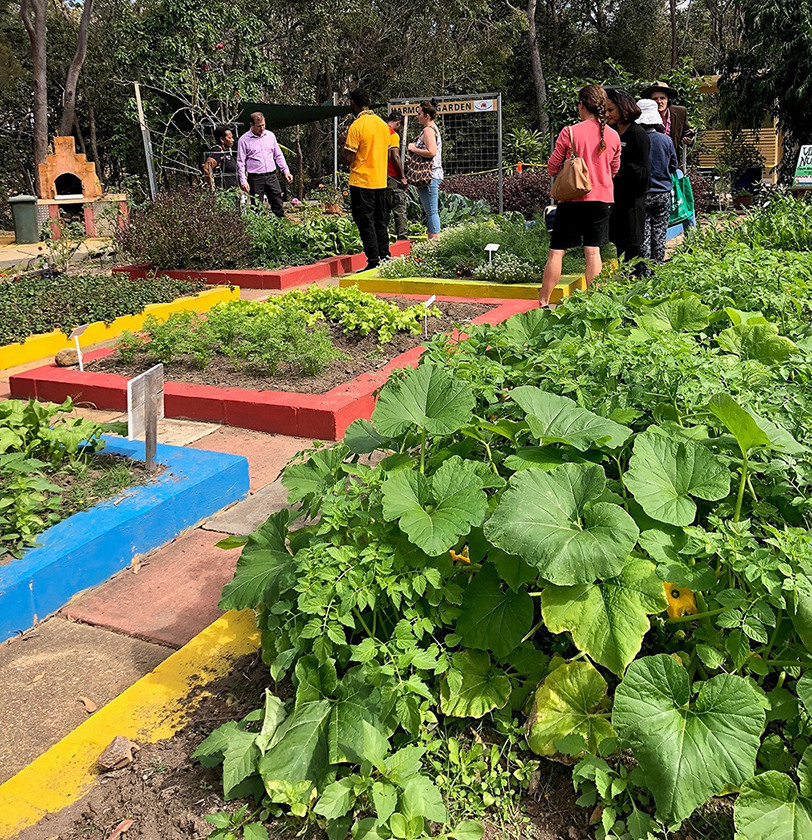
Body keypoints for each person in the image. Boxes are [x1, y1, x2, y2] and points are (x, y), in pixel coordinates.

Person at [538, 84, 621, 307]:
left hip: (573, 199)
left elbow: (552, 166)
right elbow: (614, 169)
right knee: (593, 252)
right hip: (602, 199)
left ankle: (544, 302)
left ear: (582, 105)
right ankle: (593, 303)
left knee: (557, 252)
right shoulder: (613, 135)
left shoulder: (570, 132)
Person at [339, 89, 396, 271]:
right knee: (380, 221)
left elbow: (348, 158)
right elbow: (388, 153)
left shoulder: (357, 126)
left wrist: (343, 142)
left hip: (362, 182)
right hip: (380, 181)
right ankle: (385, 255)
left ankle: (373, 261)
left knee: (365, 222)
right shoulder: (382, 125)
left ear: (353, 104)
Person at [604, 88, 650, 268]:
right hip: (615, 201)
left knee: (632, 249)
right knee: (618, 247)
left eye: (611, 110)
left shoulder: (637, 134)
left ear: (623, 109)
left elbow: (643, 172)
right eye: (605, 111)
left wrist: (617, 169)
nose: (607, 115)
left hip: (632, 202)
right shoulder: (612, 133)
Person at [637, 98, 678, 270]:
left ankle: (644, 270)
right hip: (662, 193)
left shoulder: (636, 139)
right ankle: (657, 269)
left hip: (642, 194)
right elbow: (673, 166)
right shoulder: (665, 140)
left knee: (644, 234)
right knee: (660, 233)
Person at [236, 112, 293, 216]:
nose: (262, 128)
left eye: (263, 125)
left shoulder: (270, 136)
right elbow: (240, 162)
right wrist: (243, 181)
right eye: (258, 126)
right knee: (256, 206)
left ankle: (281, 228)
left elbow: (278, 155)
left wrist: (286, 171)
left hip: (271, 176)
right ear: (251, 125)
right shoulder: (243, 140)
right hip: (255, 178)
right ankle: (257, 230)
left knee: (278, 203)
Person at [407, 100, 443, 240]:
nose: (417, 116)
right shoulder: (432, 129)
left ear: (427, 115)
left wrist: (412, 148)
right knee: (430, 211)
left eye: (419, 113)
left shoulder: (428, 130)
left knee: (431, 211)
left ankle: (434, 241)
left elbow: (431, 151)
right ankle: (432, 237)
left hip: (429, 175)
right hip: (431, 174)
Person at [641, 81, 695, 152]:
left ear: (668, 100)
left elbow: (686, 131)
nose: (659, 101)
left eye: (662, 98)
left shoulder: (680, 112)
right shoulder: (644, 116)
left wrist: (689, 139)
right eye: (655, 99)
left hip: (673, 159)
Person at [386, 112, 409, 240]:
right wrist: (402, 177)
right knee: (399, 206)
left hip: (379, 176)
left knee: (383, 209)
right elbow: (395, 156)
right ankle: (402, 237)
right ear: (398, 122)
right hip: (392, 176)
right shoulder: (393, 135)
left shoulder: (379, 132)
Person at [203, 126, 239, 191]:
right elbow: (207, 168)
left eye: (232, 138)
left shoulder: (227, 151)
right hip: (222, 193)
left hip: (232, 192)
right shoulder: (217, 151)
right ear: (222, 139)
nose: (232, 140)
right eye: (229, 138)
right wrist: (211, 185)